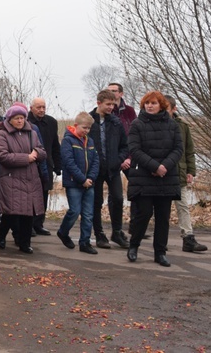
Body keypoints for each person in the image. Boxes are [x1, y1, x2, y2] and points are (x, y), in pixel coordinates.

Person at [126, 91, 183, 267]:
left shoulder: (172, 125)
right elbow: (135, 150)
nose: (149, 106)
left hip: (166, 176)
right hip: (144, 176)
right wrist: (154, 167)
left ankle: (160, 252)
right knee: (143, 214)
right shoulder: (137, 124)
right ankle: (133, 246)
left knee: (163, 217)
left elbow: (178, 149)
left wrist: (164, 166)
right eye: (147, 103)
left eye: (153, 103)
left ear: (162, 105)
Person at [0, 105, 47, 254]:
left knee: (28, 213)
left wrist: (36, 153)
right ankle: (1, 233)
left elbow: (42, 151)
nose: (20, 121)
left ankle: (25, 243)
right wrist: (27, 158)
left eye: (22, 118)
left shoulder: (32, 133)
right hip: (12, 178)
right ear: (10, 120)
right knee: (12, 212)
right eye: (16, 118)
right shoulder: (2, 134)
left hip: (31, 178)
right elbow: (2, 156)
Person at [165, 96, 208, 253]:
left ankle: (188, 238)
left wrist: (191, 171)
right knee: (161, 208)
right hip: (160, 174)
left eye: (166, 107)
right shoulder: (154, 125)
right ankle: (160, 240)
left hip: (179, 172)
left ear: (174, 109)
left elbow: (189, 150)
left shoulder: (183, 126)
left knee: (183, 206)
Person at [88, 90, 129, 249]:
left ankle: (117, 232)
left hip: (113, 168)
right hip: (95, 169)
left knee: (118, 198)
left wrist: (118, 160)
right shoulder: (89, 121)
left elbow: (124, 146)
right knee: (96, 202)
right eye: (108, 104)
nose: (111, 107)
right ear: (99, 103)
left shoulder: (116, 122)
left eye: (113, 104)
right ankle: (99, 234)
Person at [57, 112, 99, 254]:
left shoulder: (90, 142)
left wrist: (91, 178)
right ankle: (63, 231)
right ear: (76, 126)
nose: (86, 131)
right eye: (84, 128)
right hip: (74, 183)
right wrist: (82, 179)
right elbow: (69, 162)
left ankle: (85, 242)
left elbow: (95, 161)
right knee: (74, 211)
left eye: (88, 128)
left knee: (88, 214)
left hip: (89, 183)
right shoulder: (68, 141)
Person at [27, 98, 61, 236]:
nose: (41, 110)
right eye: (38, 107)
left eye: (43, 107)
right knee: (30, 196)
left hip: (47, 163)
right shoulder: (26, 122)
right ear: (31, 108)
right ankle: (28, 225)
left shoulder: (51, 122)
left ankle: (39, 223)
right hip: (30, 164)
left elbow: (55, 145)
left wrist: (58, 165)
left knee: (44, 194)